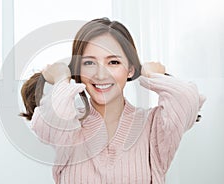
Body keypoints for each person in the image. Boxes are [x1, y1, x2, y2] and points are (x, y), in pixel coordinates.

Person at [20, 18, 205, 184]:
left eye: (113, 62)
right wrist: (62, 78)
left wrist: (153, 75)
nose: (101, 75)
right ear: (78, 71)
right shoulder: (69, 128)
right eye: (89, 63)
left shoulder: (153, 126)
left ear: (131, 69)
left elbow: (186, 99)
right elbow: (47, 123)